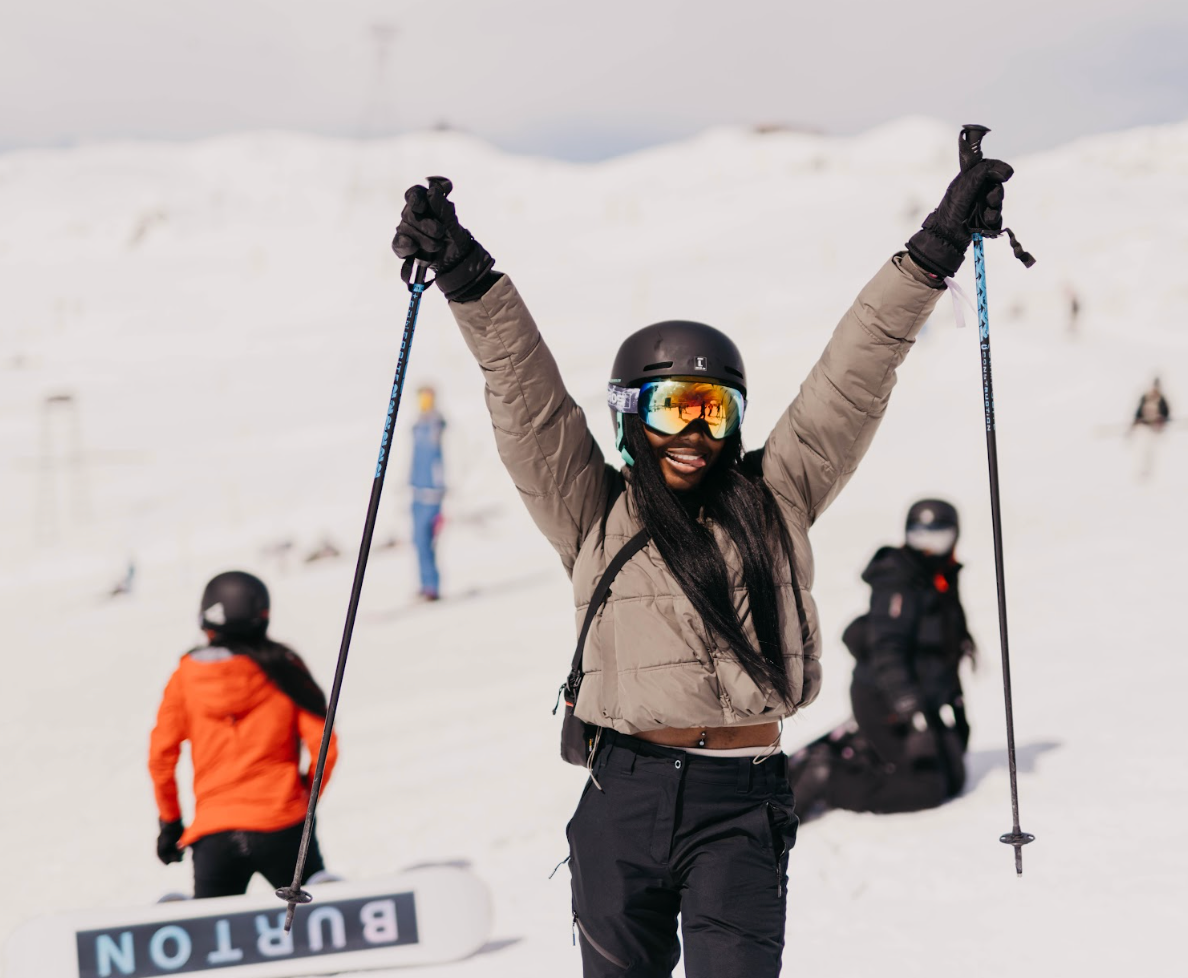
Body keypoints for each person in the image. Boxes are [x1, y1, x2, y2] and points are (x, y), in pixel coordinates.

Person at [390, 151, 1015, 977]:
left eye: (713, 408)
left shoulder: (778, 492)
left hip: (741, 802)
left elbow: (855, 374)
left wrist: (933, 252)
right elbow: (525, 395)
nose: (693, 430)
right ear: (630, 418)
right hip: (623, 798)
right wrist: (469, 279)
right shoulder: (592, 508)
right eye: (670, 406)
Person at [148, 571, 337, 898]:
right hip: (283, 824)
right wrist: (305, 796)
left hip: (214, 834)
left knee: (213, 936)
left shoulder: (185, 677)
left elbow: (161, 758)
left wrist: (170, 823)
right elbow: (326, 747)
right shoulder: (284, 666)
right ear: (262, 616)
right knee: (315, 919)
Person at [788, 499, 975, 819]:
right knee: (927, 790)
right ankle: (829, 776)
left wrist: (954, 703)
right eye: (920, 536)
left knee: (954, 777)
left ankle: (864, 746)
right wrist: (913, 716)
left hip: (919, 701)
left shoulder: (941, 580)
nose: (928, 548)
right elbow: (888, 653)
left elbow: (943, 645)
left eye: (938, 537)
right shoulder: (898, 582)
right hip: (884, 701)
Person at [409, 384, 448, 599]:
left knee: (428, 542)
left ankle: (433, 586)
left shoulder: (437, 425)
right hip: (417, 492)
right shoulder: (417, 425)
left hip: (433, 496)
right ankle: (425, 584)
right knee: (418, 542)